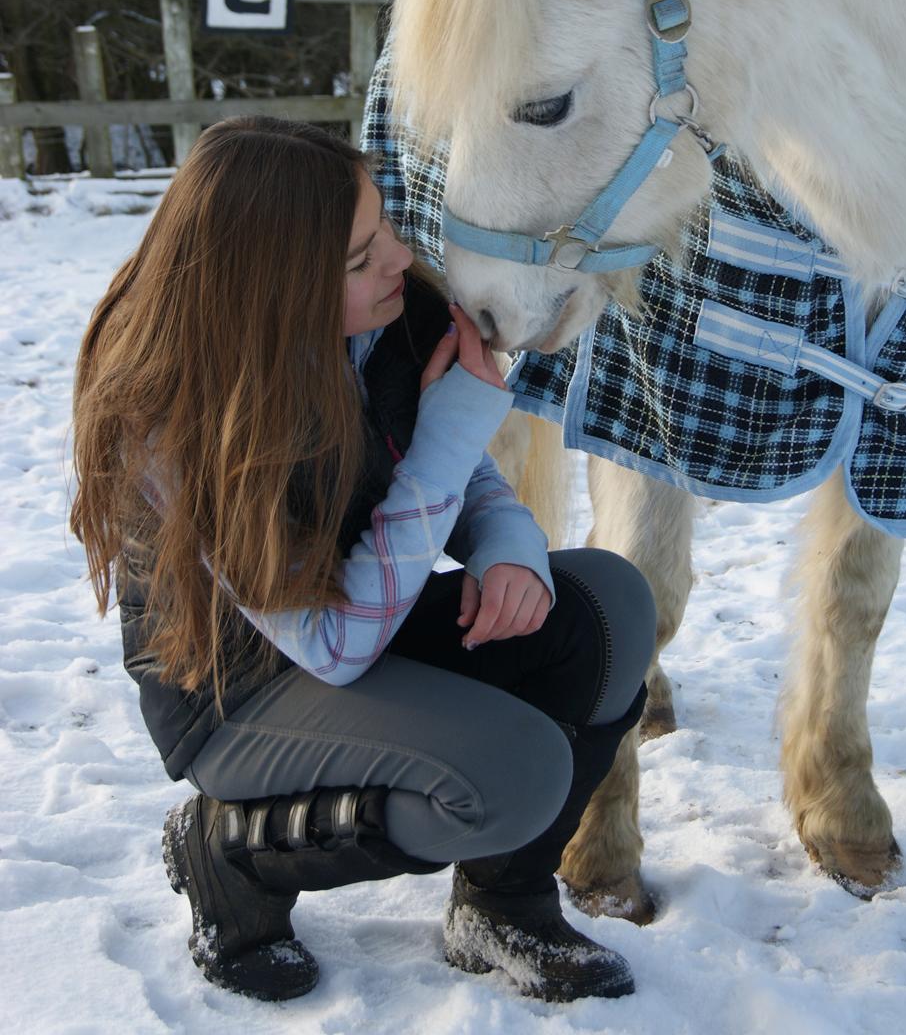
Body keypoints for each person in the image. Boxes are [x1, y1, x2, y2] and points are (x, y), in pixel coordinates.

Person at [71, 116, 655, 1006]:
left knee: (606, 608)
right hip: (243, 692)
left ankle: (503, 905)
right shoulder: (174, 417)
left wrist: (510, 551)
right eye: (357, 257)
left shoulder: (392, 312)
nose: (395, 258)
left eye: (381, 224)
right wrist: (455, 431)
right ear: (271, 289)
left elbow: (459, 476)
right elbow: (334, 642)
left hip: (362, 628)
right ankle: (231, 855)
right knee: (515, 771)